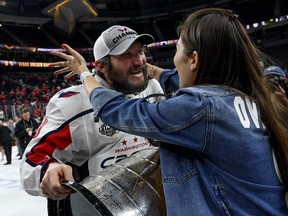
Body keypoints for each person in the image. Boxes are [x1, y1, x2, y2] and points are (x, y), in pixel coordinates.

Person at [52, 8, 288, 215]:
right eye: (128, 54)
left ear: (193, 59)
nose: (140, 60)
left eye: (177, 48)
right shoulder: (243, 95)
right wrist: (144, 67)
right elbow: (173, 78)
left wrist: (84, 73)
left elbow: (117, 110)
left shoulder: (200, 106)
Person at [20, 25, 164, 204]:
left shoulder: (153, 88)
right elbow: (31, 162)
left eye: (141, 51)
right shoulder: (72, 104)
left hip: (152, 201)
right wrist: (48, 170)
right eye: (127, 54)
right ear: (102, 66)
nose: (139, 60)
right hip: (101, 207)